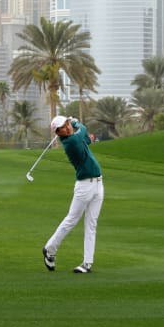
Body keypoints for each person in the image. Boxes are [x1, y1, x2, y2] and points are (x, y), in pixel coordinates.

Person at [41, 115, 104, 274]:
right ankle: (50, 248)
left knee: (91, 224)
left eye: (68, 124)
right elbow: (82, 130)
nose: (68, 127)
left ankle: (87, 263)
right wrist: (76, 122)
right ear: (58, 132)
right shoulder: (70, 142)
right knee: (71, 219)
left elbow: (87, 139)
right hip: (84, 186)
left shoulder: (75, 138)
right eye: (63, 127)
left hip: (98, 183)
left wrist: (82, 132)